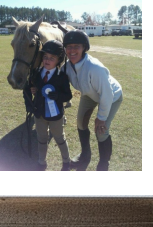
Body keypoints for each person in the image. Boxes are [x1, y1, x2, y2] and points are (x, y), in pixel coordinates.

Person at [62, 30, 123, 171]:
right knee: (81, 123)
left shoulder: (95, 68)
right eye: (68, 46)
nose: (72, 50)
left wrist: (101, 118)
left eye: (76, 46)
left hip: (112, 96)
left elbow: (107, 95)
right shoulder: (66, 67)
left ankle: (103, 164)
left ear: (84, 47)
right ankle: (85, 155)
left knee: (101, 131)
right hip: (89, 94)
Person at [23, 40, 72, 171]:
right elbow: (32, 87)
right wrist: (34, 90)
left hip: (56, 116)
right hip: (39, 114)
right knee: (41, 139)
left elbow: (68, 96)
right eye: (45, 57)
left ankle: (66, 161)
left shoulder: (62, 77)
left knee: (60, 138)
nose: (47, 60)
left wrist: (58, 96)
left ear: (58, 60)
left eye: (52, 58)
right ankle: (41, 161)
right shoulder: (36, 73)